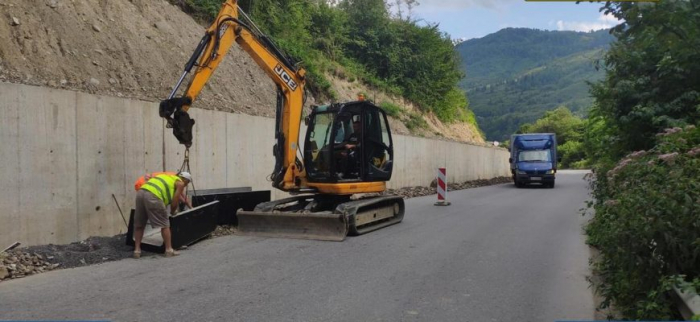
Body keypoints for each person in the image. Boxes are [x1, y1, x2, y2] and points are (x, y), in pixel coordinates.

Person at [133, 172, 192, 258]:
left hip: (141, 192)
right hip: (153, 195)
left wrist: (190, 206)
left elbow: (180, 197)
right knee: (165, 224)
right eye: (187, 183)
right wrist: (172, 212)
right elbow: (174, 202)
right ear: (185, 180)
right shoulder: (180, 183)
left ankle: (137, 251)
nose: (185, 186)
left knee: (139, 224)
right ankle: (169, 250)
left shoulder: (166, 177)